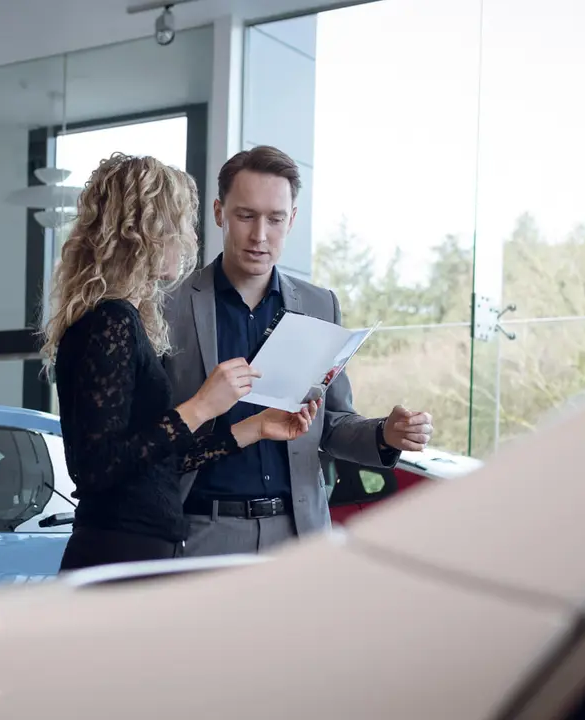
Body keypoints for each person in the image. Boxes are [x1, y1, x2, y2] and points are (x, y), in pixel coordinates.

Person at [41, 153, 321, 572]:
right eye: (180, 223)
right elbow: (96, 469)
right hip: (120, 556)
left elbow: (153, 463)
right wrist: (203, 405)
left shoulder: (123, 319)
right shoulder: (110, 321)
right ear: (144, 233)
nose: (189, 237)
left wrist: (253, 428)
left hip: (137, 552)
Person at [162, 145, 435, 557]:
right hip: (199, 531)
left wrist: (385, 434)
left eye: (274, 219)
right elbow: (151, 433)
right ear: (220, 212)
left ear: (291, 220)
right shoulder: (168, 307)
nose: (260, 235)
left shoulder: (320, 304)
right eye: (245, 215)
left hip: (299, 535)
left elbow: (333, 422)